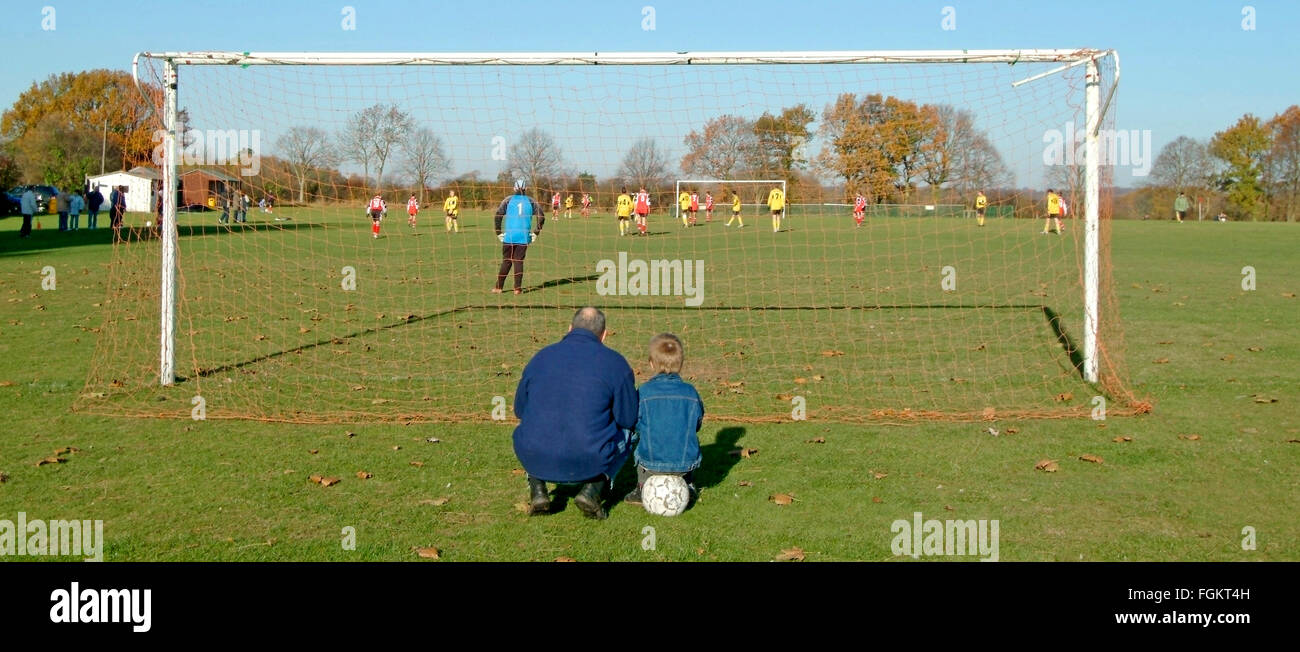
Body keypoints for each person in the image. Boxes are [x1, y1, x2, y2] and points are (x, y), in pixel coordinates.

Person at [512, 307, 638, 519]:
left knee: (533, 425)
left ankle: (537, 487)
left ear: (569, 329)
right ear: (604, 335)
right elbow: (628, 418)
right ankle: (594, 488)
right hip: (589, 458)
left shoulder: (540, 357)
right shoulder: (616, 363)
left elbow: (519, 410)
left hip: (534, 454)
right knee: (631, 432)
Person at [623, 333, 704, 507]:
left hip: (650, 463)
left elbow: (634, 423)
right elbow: (697, 423)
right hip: (685, 464)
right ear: (681, 364)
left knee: (637, 436)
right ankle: (687, 484)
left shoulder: (643, 392)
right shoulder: (691, 392)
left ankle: (641, 486)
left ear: (651, 363)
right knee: (686, 435)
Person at [493, 179, 545, 294]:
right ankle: (517, 289)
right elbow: (541, 217)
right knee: (518, 261)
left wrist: (498, 232)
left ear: (514, 188)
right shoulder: (531, 201)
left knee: (506, 261)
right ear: (526, 189)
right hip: (523, 237)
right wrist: (536, 232)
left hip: (509, 236)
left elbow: (498, 216)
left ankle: (498, 288)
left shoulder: (508, 200)